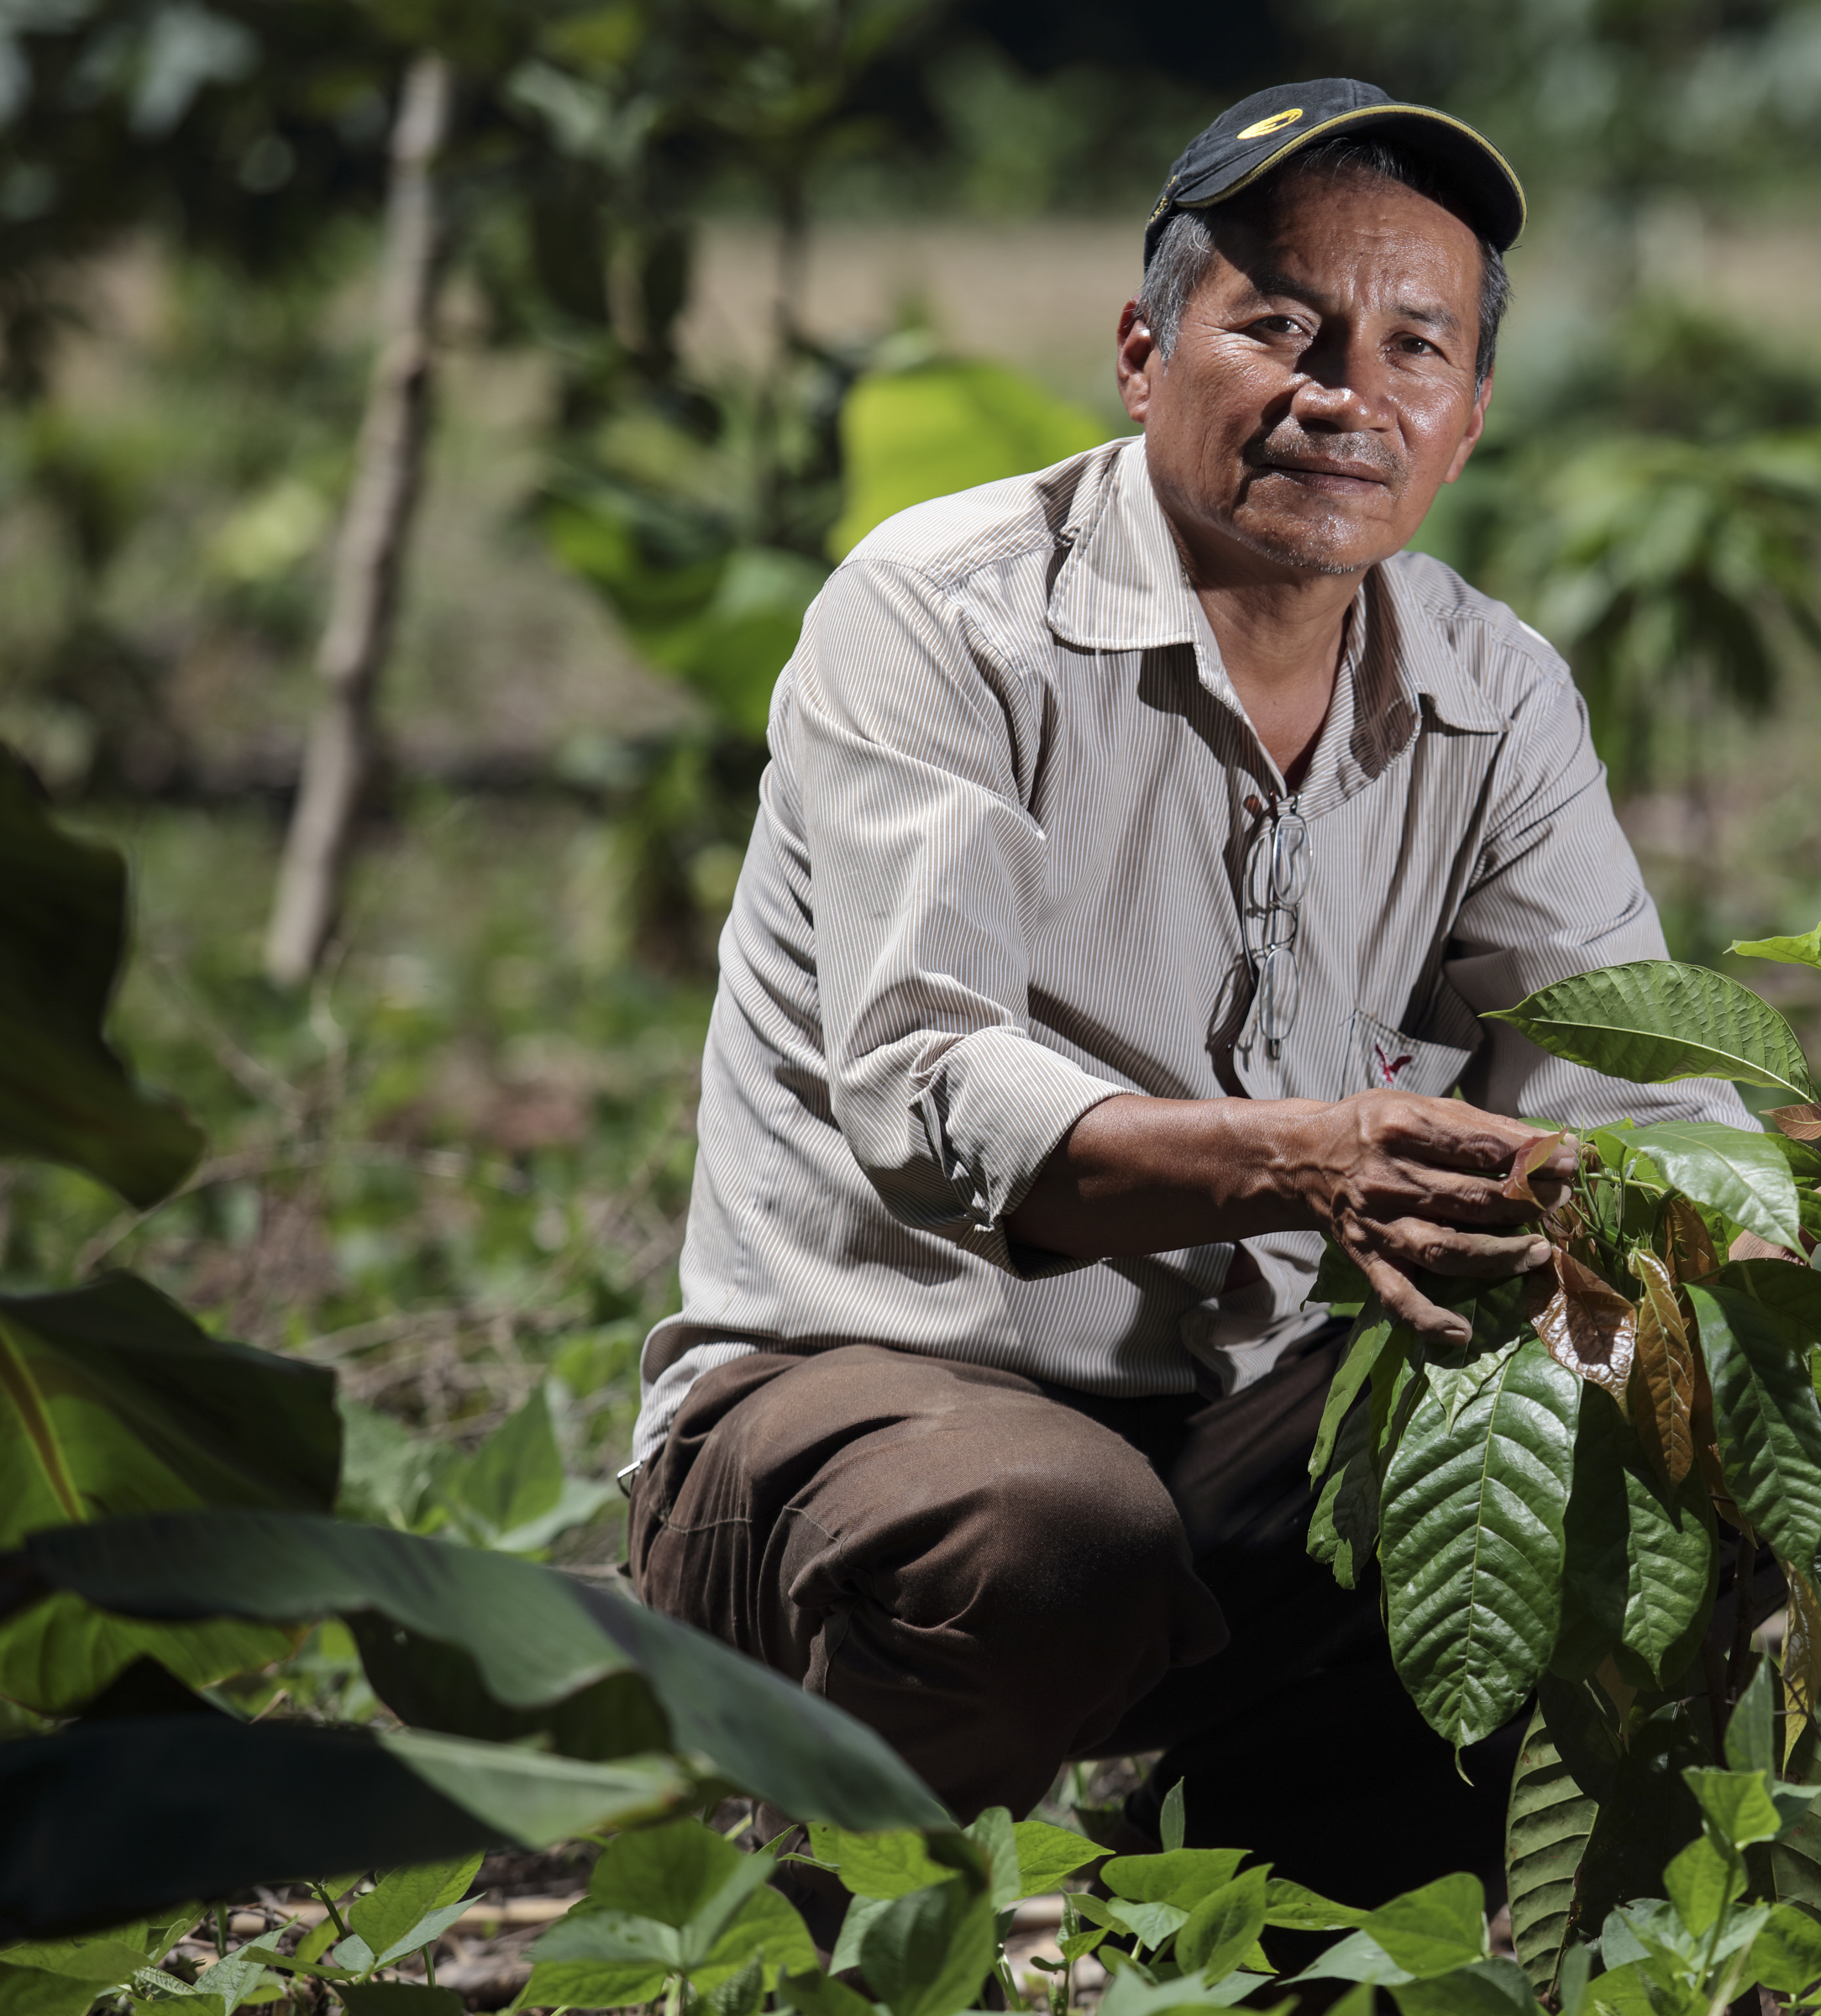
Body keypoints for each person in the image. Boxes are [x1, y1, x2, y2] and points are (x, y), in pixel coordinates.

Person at [622, 78, 1756, 1908]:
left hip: (1234, 1428)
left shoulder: (1491, 688)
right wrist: (1308, 1158)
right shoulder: (945, 617)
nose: (1343, 395)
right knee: (1052, 1532)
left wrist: (1777, 1222)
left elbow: (1627, 1081)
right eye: (1280, 329)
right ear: (1146, 354)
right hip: (856, 1408)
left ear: (1467, 418)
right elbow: (927, 1086)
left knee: (1643, 1430)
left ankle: (1280, 1913)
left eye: (1412, 348)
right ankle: (840, 1921)